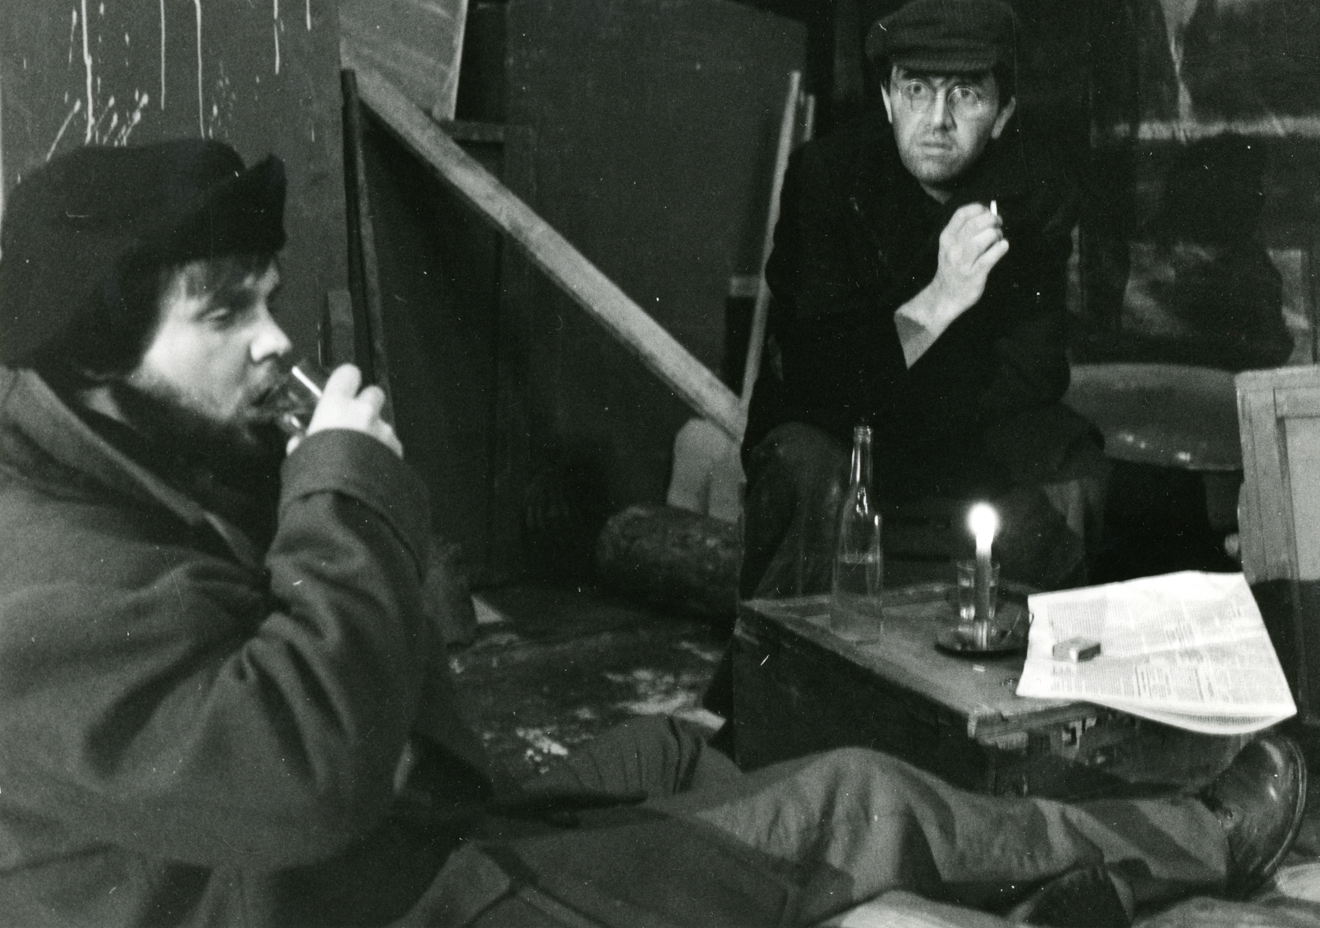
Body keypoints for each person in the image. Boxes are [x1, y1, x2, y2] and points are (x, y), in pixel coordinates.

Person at [0, 139, 1306, 928]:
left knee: (674, 749)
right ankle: (1198, 841)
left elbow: (383, 652)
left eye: (268, 298)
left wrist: (352, 508)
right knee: (847, 800)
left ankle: (915, 878)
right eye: (225, 313)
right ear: (96, 356)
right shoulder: (36, 586)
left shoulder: (119, 460)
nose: (276, 338)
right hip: (364, 895)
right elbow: (303, 766)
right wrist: (342, 493)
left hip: (358, 852)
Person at [740, 0, 1105, 602]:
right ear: (888, 99)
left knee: (1073, 464)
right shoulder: (827, 177)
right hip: (833, 437)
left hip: (955, 443)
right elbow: (817, 376)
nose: (938, 119)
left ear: (1004, 113)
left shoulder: (1036, 196)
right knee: (808, 463)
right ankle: (785, 654)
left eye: (966, 94)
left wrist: (899, 375)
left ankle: (1035, 654)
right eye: (916, 90)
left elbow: (1035, 374)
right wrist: (942, 297)